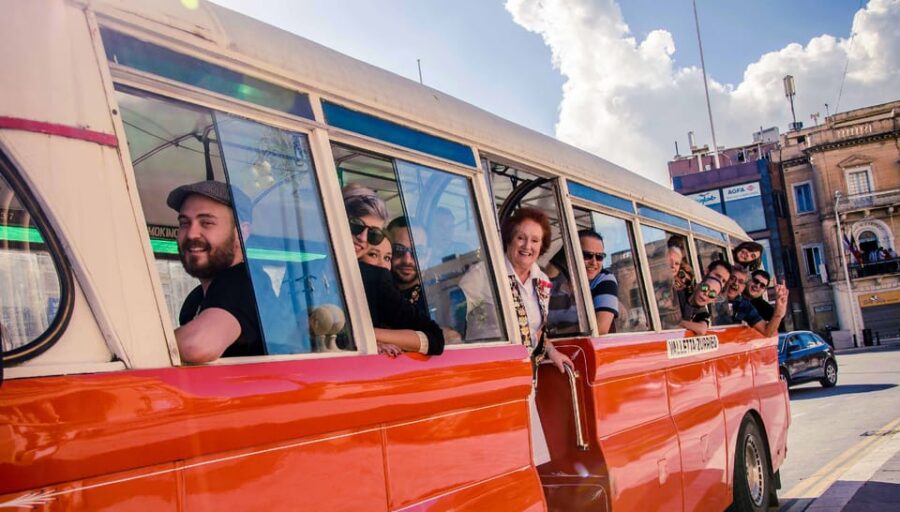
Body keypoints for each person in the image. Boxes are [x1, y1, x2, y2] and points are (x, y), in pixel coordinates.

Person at [167, 180, 264, 363]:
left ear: (241, 232)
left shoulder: (245, 282)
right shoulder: (195, 299)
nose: (191, 234)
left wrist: (140, 344)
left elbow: (197, 346)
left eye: (206, 223)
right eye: (184, 223)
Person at [343, 184, 444, 357]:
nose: (363, 238)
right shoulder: (308, 267)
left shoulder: (375, 279)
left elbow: (435, 338)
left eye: (374, 233)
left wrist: (366, 335)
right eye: (356, 226)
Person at [547, 229, 619, 335]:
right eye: (587, 256)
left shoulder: (604, 279)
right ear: (569, 254)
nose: (594, 262)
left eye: (599, 257)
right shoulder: (555, 283)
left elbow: (600, 328)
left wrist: (553, 334)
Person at [715, 266, 787, 337]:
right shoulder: (713, 290)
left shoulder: (744, 306)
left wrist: (778, 313)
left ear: (743, 286)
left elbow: (767, 331)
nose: (736, 283)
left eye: (741, 282)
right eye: (732, 278)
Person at [386, 216, 429, 315]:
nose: (407, 260)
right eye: (398, 249)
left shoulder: (436, 294)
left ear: (428, 255)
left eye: (417, 251)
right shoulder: (375, 291)